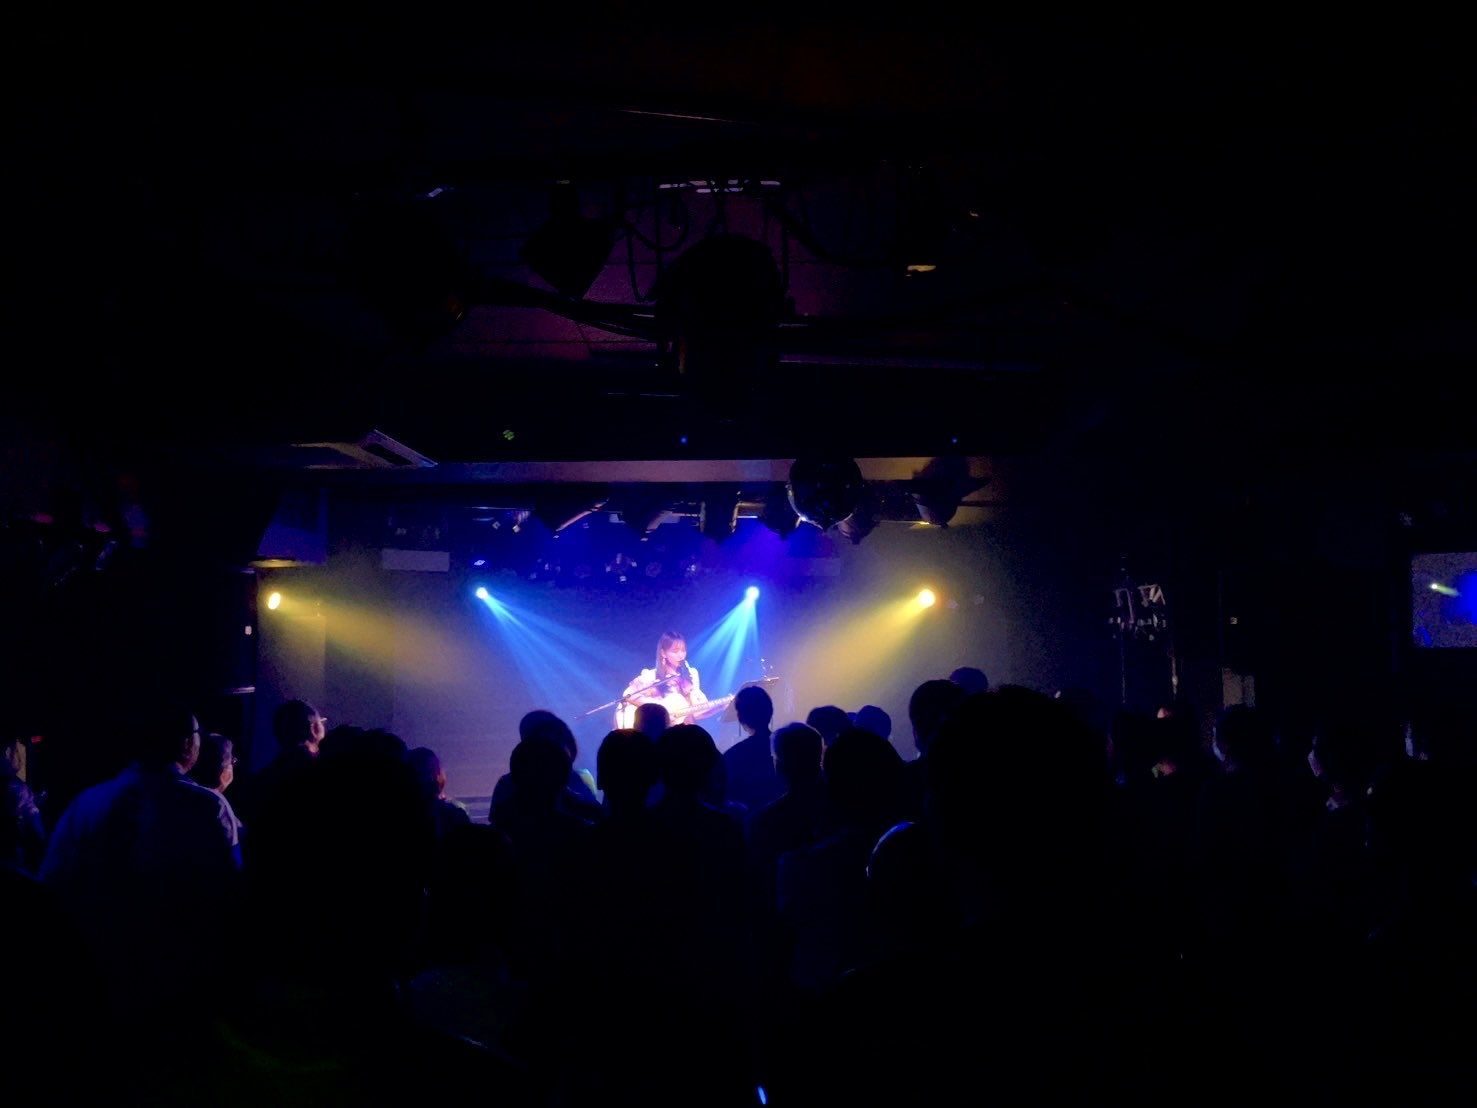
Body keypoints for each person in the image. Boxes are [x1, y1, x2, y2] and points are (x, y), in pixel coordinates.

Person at [618, 630, 709, 728]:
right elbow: (628, 695)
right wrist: (659, 708)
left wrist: (719, 706)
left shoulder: (691, 674)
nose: (681, 655)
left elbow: (698, 712)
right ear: (663, 653)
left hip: (685, 728)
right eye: (675, 651)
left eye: (683, 650)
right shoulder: (651, 676)